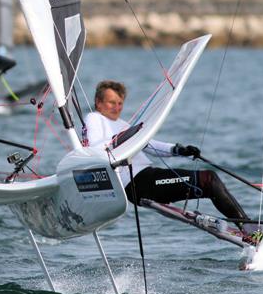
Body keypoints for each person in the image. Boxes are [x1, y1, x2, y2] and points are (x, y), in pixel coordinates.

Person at [85, 80, 251, 227]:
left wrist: (178, 150)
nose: (117, 107)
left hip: (150, 178)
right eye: (111, 103)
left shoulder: (121, 124)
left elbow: (149, 144)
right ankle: (249, 229)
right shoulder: (93, 118)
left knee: (208, 180)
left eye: (120, 103)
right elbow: (96, 148)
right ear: (98, 103)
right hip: (138, 185)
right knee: (208, 180)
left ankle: (247, 228)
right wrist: (121, 138)